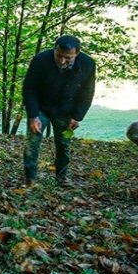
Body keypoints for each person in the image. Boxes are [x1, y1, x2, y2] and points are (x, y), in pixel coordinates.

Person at [22, 35, 96, 186]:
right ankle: (30, 178)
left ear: (77, 53)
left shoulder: (87, 64)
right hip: (41, 107)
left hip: (66, 110)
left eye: (67, 58)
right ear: (54, 50)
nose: (62, 61)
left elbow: (87, 92)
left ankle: (62, 177)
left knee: (63, 143)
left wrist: (77, 116)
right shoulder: (41, 60)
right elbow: (29, 88)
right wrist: (32, 115)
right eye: (59, 56)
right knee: (32, 142)